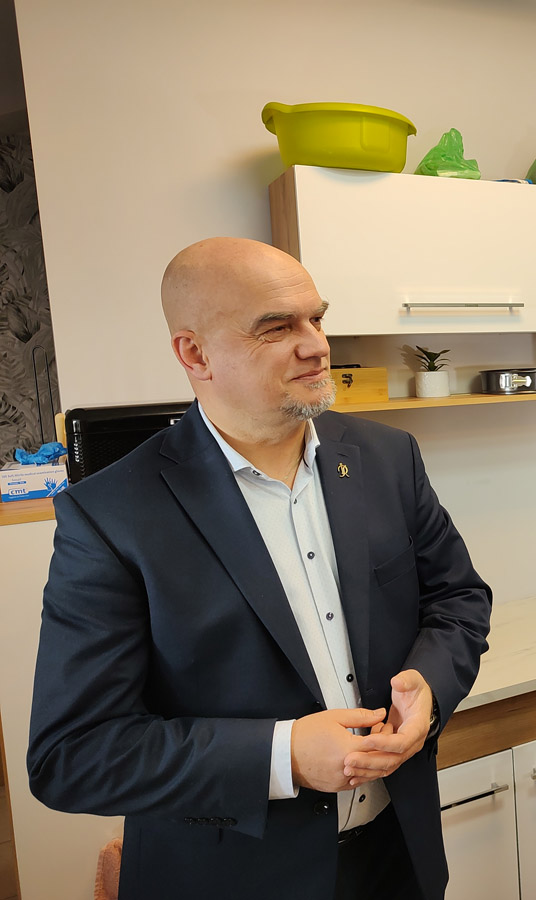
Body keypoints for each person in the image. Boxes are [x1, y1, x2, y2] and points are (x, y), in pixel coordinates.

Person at [27, 238, 493, 900]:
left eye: (317, 319)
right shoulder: (110, 516)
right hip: (233, 878)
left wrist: (431, 687)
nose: (316, 346)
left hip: (398, 857)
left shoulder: (387, 458)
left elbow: (458, 598)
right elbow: (72, 754)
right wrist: (284, 756)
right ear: (195, 354)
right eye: (276, 328)